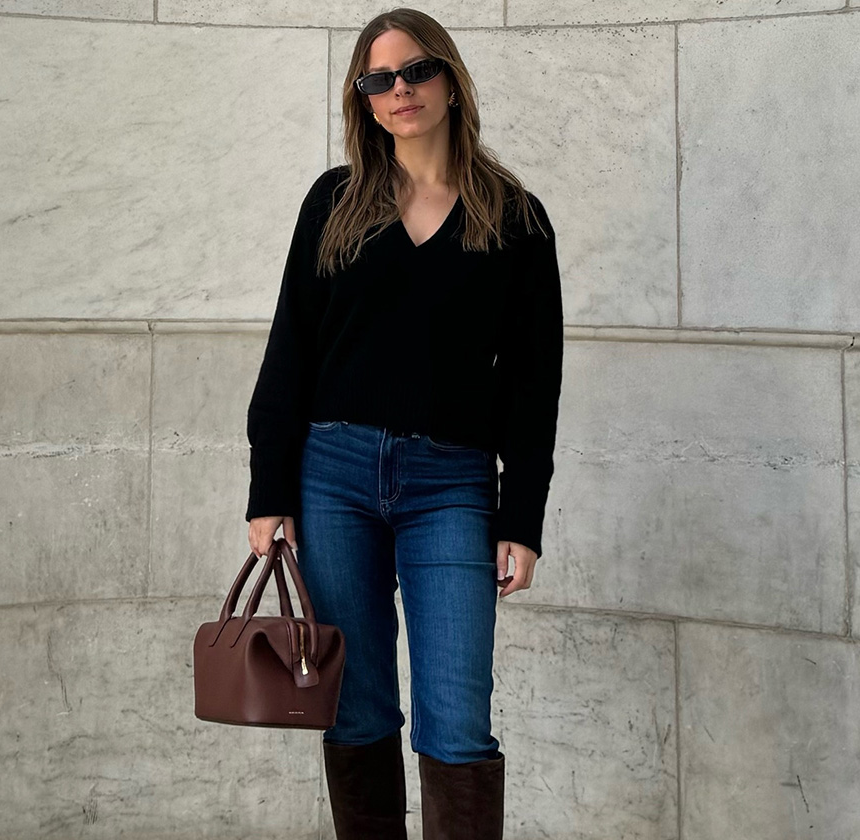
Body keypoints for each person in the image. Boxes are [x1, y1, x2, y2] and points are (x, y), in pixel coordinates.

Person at [244, 7, 563, 839]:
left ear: (450, 80)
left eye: (416, 71)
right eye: (378, 79)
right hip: (332, 479)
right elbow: (289, 357)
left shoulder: (516, 219)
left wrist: (521, 519)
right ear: (365, 99)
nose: (400, 91)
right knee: (357, 713)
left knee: (457, 723)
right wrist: (267, 491)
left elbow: (535, 388)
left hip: (452, 485)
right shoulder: (335, 203)